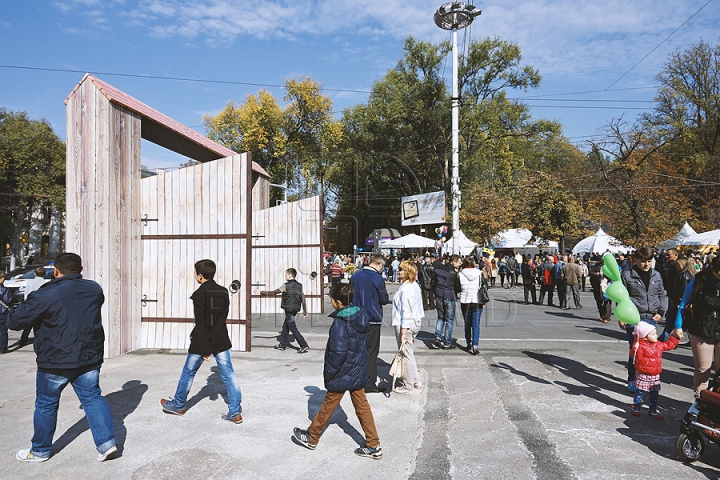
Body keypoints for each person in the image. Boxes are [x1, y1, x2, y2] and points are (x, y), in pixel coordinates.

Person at [6, 252, 118, 462]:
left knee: (46, 403)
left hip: (55, 359)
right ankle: (107, 443)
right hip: (88, 356)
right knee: (93, 398)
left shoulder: (46, 293)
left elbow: (15, 322)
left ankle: (40, 450)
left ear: (56, 271)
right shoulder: (94, 288)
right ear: (80, 269)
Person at [292, 283, 382, 459]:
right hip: (356, 370)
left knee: (328, 405)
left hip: (342, 372)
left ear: (338, 302)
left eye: (332, 299)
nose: (331, 302)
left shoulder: (340, 323)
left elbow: (338, 352)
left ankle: (312, 436)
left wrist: (330, 373)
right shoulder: (361, 316)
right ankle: (373, 444)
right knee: (362, 406)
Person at [161, 259, 243, 423]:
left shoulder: (199, 295)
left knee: (188, 372)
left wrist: (205, 349)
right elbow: (220, 318)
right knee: (229, 375)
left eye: (195, 273)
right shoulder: (223, 291)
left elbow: (202, 324)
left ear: (200, 276)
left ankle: (178, 406)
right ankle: (235, 412)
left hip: (201, 341)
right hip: (221, 339)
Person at [620, 247, 666, 392]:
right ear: (636, 260)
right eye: (643, 261)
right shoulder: (627, 275)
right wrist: (622, 317)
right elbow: (622, 297)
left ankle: (646, 379)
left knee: (649, 351)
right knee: (636, 349)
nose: (646, 264)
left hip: (652, 317)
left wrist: (661, 311)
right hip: (634, 317)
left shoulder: (656, 275)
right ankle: (632, 380)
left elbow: (661, 293)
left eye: (649, 261)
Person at [676, 256, 720, 398]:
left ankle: (715, 403)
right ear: (712, 268)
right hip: (702, 328)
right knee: (703, 370)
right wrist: (678, 326)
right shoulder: (699, 282)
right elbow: (683, 303)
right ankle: (699, 403)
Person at [350, 254, 390, 393]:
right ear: (379, 264)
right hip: (372, 318)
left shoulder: (355, 276)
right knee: (371, 351)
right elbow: (383, 299)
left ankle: (356, 379)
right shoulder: (377, 278)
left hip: (356, 317)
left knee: (357, 350)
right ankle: (369, 383)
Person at [629, 321, 679, 419]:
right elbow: (636, 358)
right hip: (643, 372)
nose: (656, 335)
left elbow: (668, 345)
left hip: (655, 374)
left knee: (654, 393)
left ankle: (652, 409)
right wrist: (635, 347)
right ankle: (636, 407)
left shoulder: (658, 345)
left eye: (655, 333)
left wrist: (674, 337)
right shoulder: (640, 346)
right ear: (644, 337)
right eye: (653, 334)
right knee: (640, 392)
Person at [256, 268, 310, 354]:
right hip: (295, 309)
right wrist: (305, 311)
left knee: (292, 327)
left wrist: (261, 292)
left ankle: (303, 345)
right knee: (286, 326)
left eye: (285, 275)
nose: (285, 277)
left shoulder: (286, 285)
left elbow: (274, 292)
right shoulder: (300, 285)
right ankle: (282, 345)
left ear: (289, 275)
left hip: (288, 309)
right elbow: (303, 298)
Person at [391, 260, 424, 393]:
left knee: (405, 354)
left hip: (406, 324)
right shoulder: (414, 285)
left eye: (402, 269)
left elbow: (406, 310)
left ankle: (408, 384)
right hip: (415, 322)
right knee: (409, 353)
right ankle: (415, 380)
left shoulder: (406, 288)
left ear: (408, 272)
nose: (399, 271)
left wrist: (403, 331)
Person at [433, 255, 462, 349]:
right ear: (453, 262)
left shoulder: (438, 269)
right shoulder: (453, 273)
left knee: (440, 317)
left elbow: (435, 282)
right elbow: (457, 288)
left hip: (438, 295)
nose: (460, 264)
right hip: (449, 296)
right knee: (449, 320)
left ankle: (437, 336)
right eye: (459, 262)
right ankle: (447, 342)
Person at [19, 266, 51, 347]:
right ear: (44, 274)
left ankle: (23, 340)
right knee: (40, 324)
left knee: (28, 325)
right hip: (43, 306)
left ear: (34, 274)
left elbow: (26, 295)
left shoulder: (30, 283)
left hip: (31, 305)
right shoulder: (47, 283)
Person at [458, 257, 484, 355]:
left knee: (467, 323)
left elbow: (458, 287)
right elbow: (482, 286)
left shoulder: (460, 274)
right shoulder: (479, 273)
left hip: (465, 300)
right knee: (476, 324)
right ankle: (475, 345)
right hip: (476, 300)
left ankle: (468, 342)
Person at [0, 271, 12, 353]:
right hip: (2, 311)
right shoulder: (4, 289)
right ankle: (3, 348)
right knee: (3, 330)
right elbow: (8, 300)